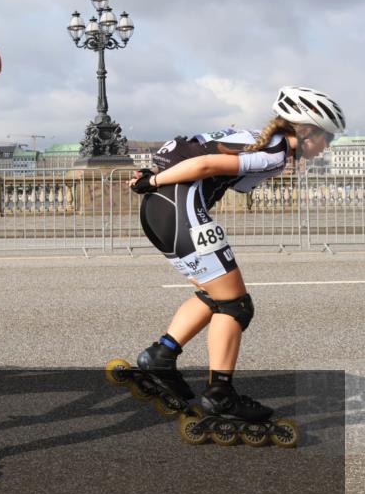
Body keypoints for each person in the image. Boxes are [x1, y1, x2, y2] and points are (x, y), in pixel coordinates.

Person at [126, 86, 346, 434]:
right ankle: (220, 394)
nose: (327, 146)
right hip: (179, 213)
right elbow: (206, 163)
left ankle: (161, 356)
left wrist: (152, 181)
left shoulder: (259, 140)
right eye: (327, 137)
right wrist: (151, 180)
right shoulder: (273, 151)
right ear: (305, 131)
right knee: (236, 305)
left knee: (216, 294)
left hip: (162, 212)